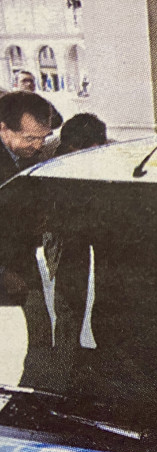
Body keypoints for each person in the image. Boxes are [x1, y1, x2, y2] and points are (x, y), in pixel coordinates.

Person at [0, 91, 62, 304]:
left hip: (21, 261)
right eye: (30, 138)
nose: (38, 146)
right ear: (3, 128)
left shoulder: (27, 154)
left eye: (44, 137)